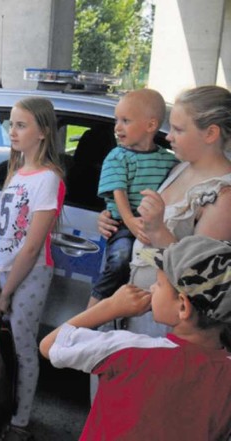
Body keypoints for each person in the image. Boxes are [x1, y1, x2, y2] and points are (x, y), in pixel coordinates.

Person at [40, 235, 231, 440]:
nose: (152, 288)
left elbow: (49, 345)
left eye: (158, 283)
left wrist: (110, 306)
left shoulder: (127, 349)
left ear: (183, 306)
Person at [98, 85, 231, 337]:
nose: (168, 137)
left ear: (210, 133)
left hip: (167, 330)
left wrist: (158, 231)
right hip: (132, 310)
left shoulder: (224, 195)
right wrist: (111, 217)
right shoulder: (180, 167)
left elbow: (202, 281)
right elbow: (139, 212)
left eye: (179, 130)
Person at [0, 97, 66, 441]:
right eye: (11, 124)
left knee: (22, 346)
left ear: (43, 132)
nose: (12, 132)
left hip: (29, 274)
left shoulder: (48, 179)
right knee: (5, 344)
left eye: (21, 125)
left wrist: (6, 291)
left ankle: (20, 421)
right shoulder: (17, 171)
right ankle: (2, 402)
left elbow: (32, 246)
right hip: (5, 272)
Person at [88, 89, 179, 309]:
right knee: (120, 259)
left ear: (150, 125)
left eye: (126, 121)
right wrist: (130, 221)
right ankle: (95, 306)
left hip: (153, 227)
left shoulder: (169, 161)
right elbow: (118, 189)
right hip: (122, 224)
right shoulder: (117, 156)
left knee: (149, 265)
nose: (117, 127)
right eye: (116, 120)